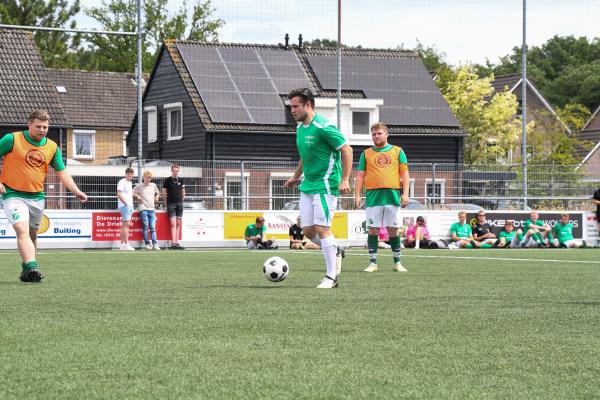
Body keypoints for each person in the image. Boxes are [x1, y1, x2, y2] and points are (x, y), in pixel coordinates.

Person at [0, 110, 87, 282]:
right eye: (38, 126)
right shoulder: (12, 139)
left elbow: (61, 172)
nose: (42, 130)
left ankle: (28, 269)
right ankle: (32, 267)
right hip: (13, 195)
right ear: (29, 125)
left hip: (37, 197)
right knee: (21, 229)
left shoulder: (52, 147)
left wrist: (76, 191)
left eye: (45, 127)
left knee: (32, 234)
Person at [284, 88, 352, 289]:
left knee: (323, 229)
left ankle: (331, 277)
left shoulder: (324, 127)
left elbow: (347, 149)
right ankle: (336, 250)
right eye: (291, 107)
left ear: (308, 105)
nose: (292, 110)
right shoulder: (300, 129)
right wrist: (296, 176)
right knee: (307, 230)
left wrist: (345, 179)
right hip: (308, 184)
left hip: (325, 184)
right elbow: (305, 156)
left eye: (295, 106)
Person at [354, 122, 408, 272]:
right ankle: (373, 263)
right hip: (373, 195)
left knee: (393, 230)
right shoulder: (366, 153)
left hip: (392, 194)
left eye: (379, 133)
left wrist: (405, 194)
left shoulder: (398, 151)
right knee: (373, 230)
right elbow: (360, 176)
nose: (376, 136)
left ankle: (397, 262)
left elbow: (405, 174)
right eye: (374, 134)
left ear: (386, 134)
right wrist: (357, 195)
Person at [133, 170, 161, 250]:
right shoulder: (139, 186)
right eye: (147, 177)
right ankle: (148, 244)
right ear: (144, 177)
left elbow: (158, 193)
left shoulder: (153, 185)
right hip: (143, 209)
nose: (149, 179)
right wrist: (137, 196)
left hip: (152, 209)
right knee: (145, 226)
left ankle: (155, 244)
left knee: (152, 227)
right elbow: (132, 192)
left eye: (150, 177)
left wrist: (157, 197)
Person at [162, 164, 185, 250]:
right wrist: (165, 202)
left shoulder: (181, 180)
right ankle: (173, 243)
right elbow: (163, 191)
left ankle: (177, 242)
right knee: (173, 224)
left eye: (177, 171)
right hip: (170, 204)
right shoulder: (167, 180)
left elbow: (183, 191)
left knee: (178, 223)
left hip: (179, 204)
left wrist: (182, 199)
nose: (175, 172)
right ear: (171, 171)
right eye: (174, 171)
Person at [117, 167, 135, 251]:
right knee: (127, 224)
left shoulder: (130, 183)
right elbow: (119, 193)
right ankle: (126, 244)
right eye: (129, 174)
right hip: (125, 206)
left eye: (131, 174)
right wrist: (126, 203)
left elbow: (128, 194)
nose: (130, 175)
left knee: (124, 224)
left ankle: (122, 244)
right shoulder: (122, 181)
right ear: (126, 174)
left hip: (129, 206)